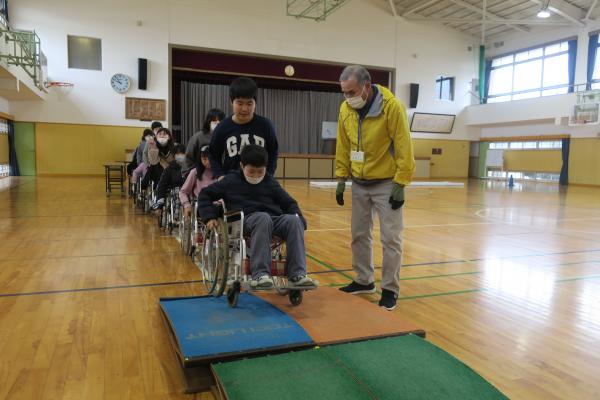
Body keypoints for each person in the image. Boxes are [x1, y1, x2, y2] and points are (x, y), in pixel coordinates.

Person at [335, 65, 415, 311]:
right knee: (359, 235)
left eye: (352, 92)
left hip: (387, 183)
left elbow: (404, 146)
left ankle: (390, 289)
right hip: (360, 183)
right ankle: (363, 280)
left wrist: (401, 183)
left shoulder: (392, 108)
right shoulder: (345, 109)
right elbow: (343, 145)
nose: (348, 97)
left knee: (391, 239)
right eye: (345, 93)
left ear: (367, 87)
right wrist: (341, 177)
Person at [197, 145, 314, 289]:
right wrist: (209, 217)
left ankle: (297, 275)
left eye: (260, 172)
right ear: (242, 165)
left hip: (271, 219)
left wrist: (300, 219)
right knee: (262, 218)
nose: (256, 176)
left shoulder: (269, 181)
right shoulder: (230, 181)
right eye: (251, 172)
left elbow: (289, 203)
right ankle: (260, 275)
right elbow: (204, 195)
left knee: (293, 221)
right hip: (244, 221)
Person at [208, 77, 278, 179]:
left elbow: (273, 153)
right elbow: (213, 155)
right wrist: (220, 175)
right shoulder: (222, 127)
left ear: (255, 103)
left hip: (259, 182)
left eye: (249, 103)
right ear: (231, 102)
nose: (245, 109)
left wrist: (269, 174)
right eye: (240, 103)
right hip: (232, 184)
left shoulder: (266, 125)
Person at [183, 108, 225, 176]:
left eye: (220, 121)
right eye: (214, 120)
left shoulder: (226, 136)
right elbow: (188, 158)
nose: (217, 123)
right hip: (200, 176)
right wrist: (189, 175)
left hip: (221, 175)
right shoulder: (198, 137)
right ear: (208, 121)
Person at [179, 145, 214, 218]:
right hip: (202, 205)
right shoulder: (195, 172)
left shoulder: (220, 172)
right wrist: (186, 204)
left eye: (210, 158)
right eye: (204, 159)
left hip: (219, 205)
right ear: (200, 159)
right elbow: (183, 192)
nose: (208, 162)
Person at [152, 143, 186, 215]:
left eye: (182, 153)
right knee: (179, 193)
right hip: (175, 192)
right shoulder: (169, 169)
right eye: (177, 154)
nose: (180, 156)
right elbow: (162, 185)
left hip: (187, 190)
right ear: (174, 156)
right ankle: (177, 216)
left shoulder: (190, 168)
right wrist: (159, 205)